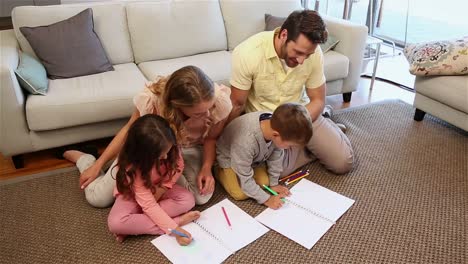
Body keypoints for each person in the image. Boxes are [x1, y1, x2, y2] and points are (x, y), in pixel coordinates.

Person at [63, 66, 232, 207]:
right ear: (178, 105)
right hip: (151, 150)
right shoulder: (152, 100)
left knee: (201, 197)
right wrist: (97, 164)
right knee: (98, 199)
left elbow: (211, 138)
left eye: (209, 108)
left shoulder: (219, 101)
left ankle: (141, 182)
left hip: (189, 150)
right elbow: (130, 130)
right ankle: (85, 158)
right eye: (200, 112)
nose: (208, 114)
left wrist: (206, 168)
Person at [229, 10, 354, 175]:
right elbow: (237, 105)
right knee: (276, 171)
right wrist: (224, 139)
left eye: (307, 55)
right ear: (284, 34)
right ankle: (313, 144)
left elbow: (317, 100)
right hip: (269, 123)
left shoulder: (314, 54)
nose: (302, 61)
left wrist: (295, 126)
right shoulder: (247, 52)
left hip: (302, 115)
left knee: (343, 163)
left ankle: (317, 138)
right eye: (299, 52)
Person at [106, 114, 199, 243]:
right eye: (161, 155)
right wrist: (175, 228)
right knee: (116, 223)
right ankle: (174, 220)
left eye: (168, 151)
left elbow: (179, 165)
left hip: (158, 188)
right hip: (133, 193)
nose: (166, 156)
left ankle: (136, 225)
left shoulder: (170, 145)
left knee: (188, 200)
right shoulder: (133, 168)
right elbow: (149, 205)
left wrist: (163, 188)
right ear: (144, 155)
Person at [216, 103, 313, 209]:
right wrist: (267, 199)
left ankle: (254, 170)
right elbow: (244, 178)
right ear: (276, 135)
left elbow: (276, 157)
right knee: (240, 194)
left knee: (265, 182)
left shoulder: (277, 126)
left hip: (251, 158)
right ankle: (218, 170)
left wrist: (274, 184)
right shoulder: (246, 141)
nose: (289, 148)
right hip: (229, 157)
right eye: (290, 145)